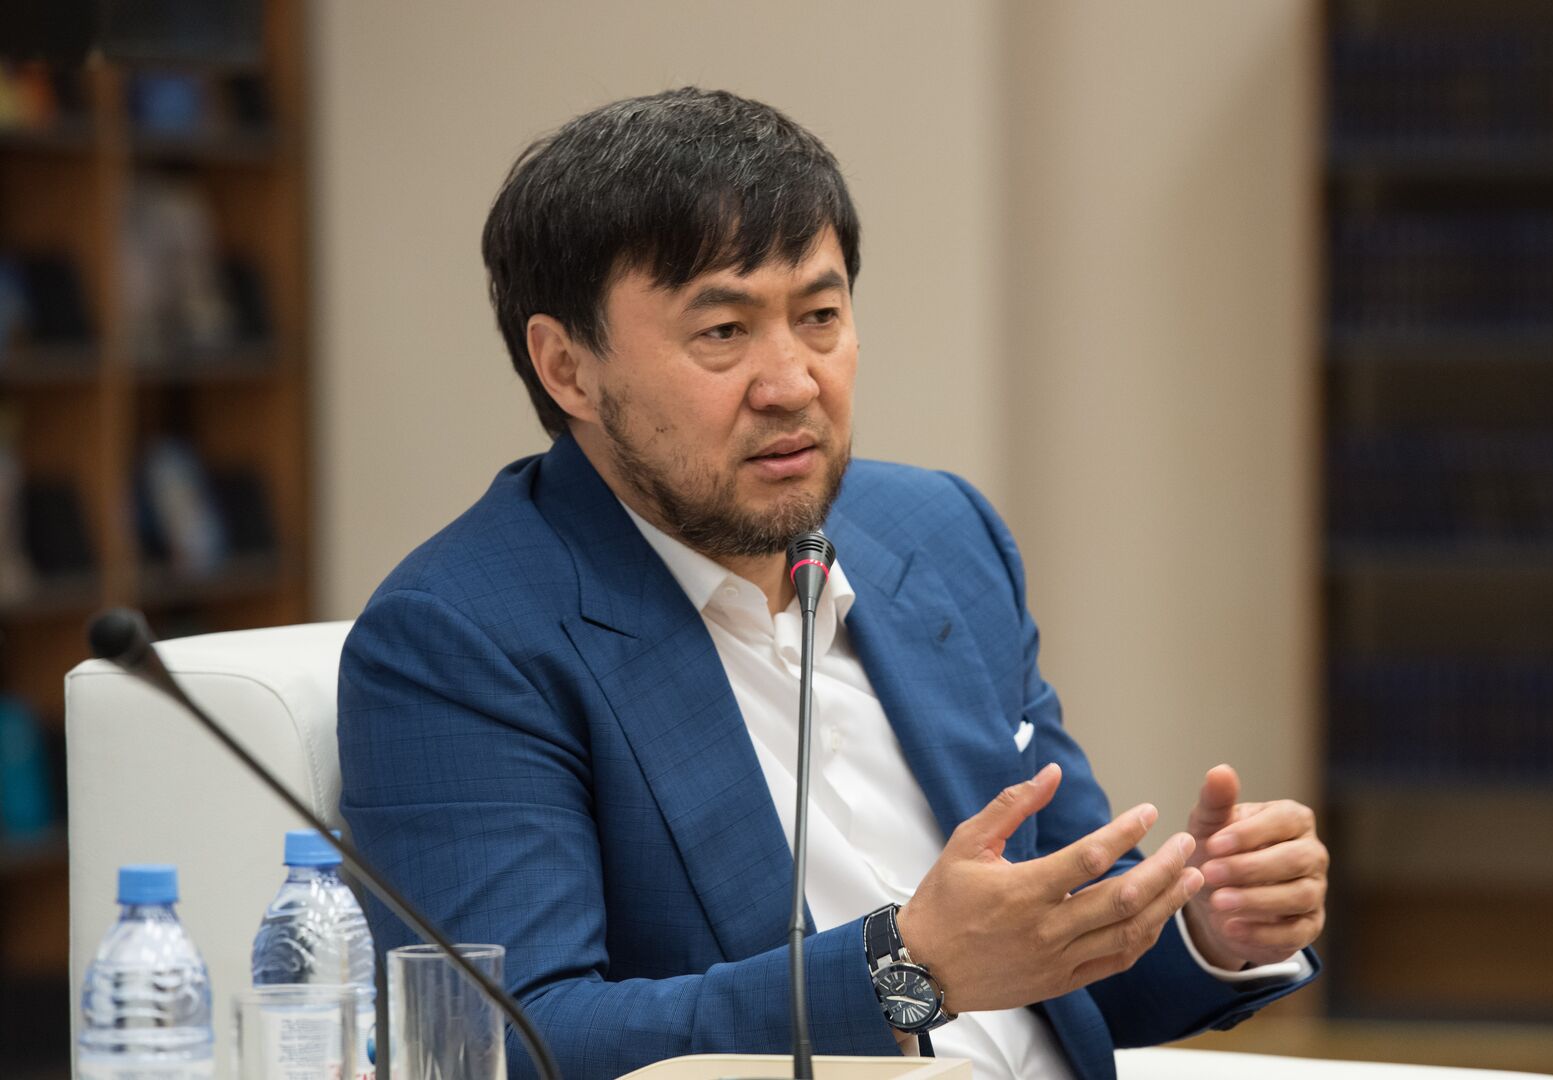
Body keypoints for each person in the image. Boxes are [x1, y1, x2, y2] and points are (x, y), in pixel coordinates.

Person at [337, 87, 1327, 1080]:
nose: (793, 383)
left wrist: (1204, 924)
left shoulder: (939, 535)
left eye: (820, 316)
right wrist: (906, 972)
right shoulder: (463, 637)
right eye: (723, 332)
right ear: (567, 368)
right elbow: (511, 1041)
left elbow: (1059, 946)